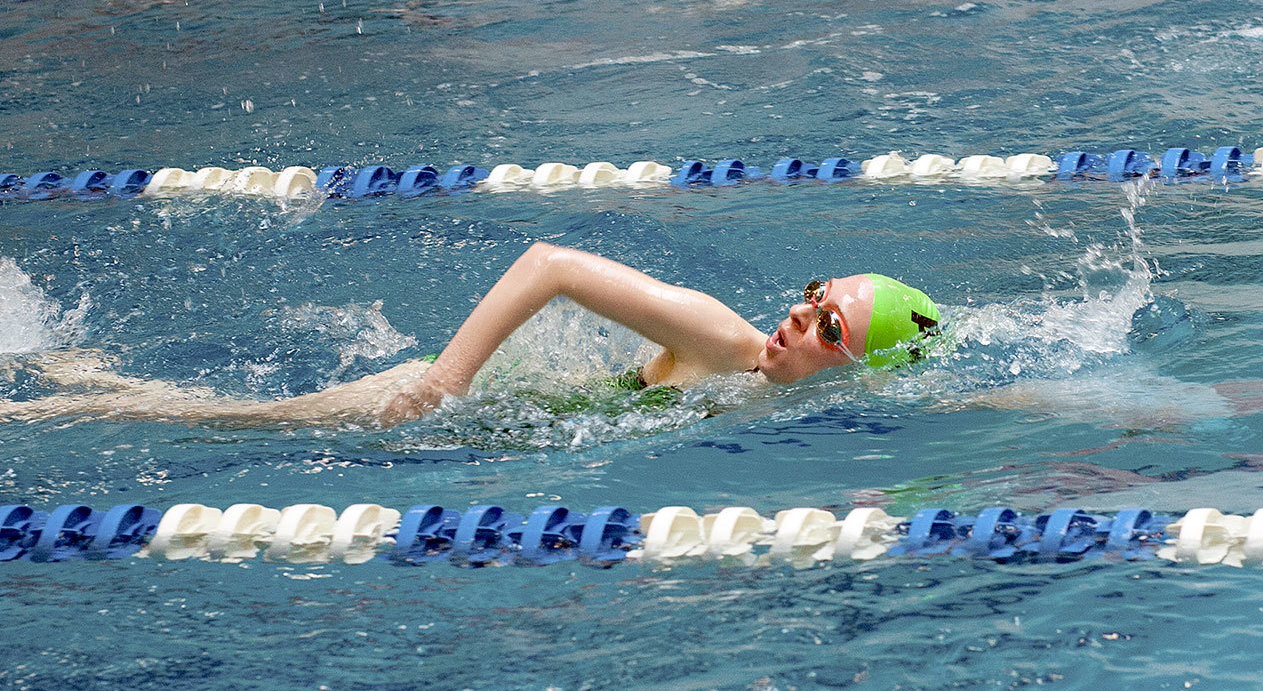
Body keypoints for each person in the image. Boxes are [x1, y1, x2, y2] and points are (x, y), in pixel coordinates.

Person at [0, 243, 940, 429]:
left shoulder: (787, 403)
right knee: (218, 421)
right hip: (435, 400)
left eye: (824, 322)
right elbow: (549, 263)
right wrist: (447, 381)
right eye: (812, 292)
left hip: (502, 417)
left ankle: (65, 365)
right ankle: (39, 394)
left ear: (852, 366)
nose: (797, 314)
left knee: (205, 415)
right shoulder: (721, 339)